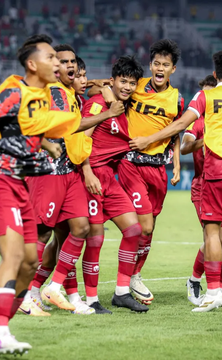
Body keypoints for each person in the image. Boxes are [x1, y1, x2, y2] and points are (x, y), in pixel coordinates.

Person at [0, 34, 81, 357]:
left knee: (31, 262)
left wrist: (48, 145)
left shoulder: (47, 98)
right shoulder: (13, 92)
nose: (58, 63)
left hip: (20, 185)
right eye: (51, 58)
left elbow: (37, 132)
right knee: (13, 257)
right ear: (32, 64)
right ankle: (0, 331)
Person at [129, 50, 222, 312]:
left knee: (214, 234)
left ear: (214, 73)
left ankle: (213, 293)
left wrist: (148, 140)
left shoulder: (206, 96)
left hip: (217, 171)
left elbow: (179, 126)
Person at [23, 49, 124, 316]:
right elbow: (68, 127)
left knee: (79, 228)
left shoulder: (71, 94)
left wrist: (97, 84)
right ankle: (24, 293)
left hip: (70, 172)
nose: (71, 68)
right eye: (65, 63)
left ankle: (54, 287)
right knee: (44, 233)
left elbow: (89, 88)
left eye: (74, 65)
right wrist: (107, 114)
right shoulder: (55, 92)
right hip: (49, 171)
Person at [114, 39, 183, 305]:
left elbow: (177, 133)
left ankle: (134, 276)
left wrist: (176, 165)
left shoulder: (177, 99)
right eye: (156, 63)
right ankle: (125, 282)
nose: (160, 68)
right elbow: (113, 83)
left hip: (158, 169)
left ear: (173, 69)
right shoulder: (136, 85)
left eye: (165, 65)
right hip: (131, 163)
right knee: (144, 224)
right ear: (150, 65)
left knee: (149, 228)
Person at [81, 55, 149, 313]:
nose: (128, 87)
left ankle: (121, 293)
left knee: (134, 230)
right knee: (94, 240)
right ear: (114, 80)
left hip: (110, 178)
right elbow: (80, 138)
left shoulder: (125, 107)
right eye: (123, 81)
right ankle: (90, 300)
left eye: (132, 83)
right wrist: (87, 171)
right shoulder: (98, 105)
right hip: (92, 178)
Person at [181, 75, 222, 307]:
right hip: (203, 187)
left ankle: (219, 293)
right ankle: (194, 280)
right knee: (216, 237)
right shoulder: (198, 123)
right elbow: (184, 147)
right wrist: (205, 142)